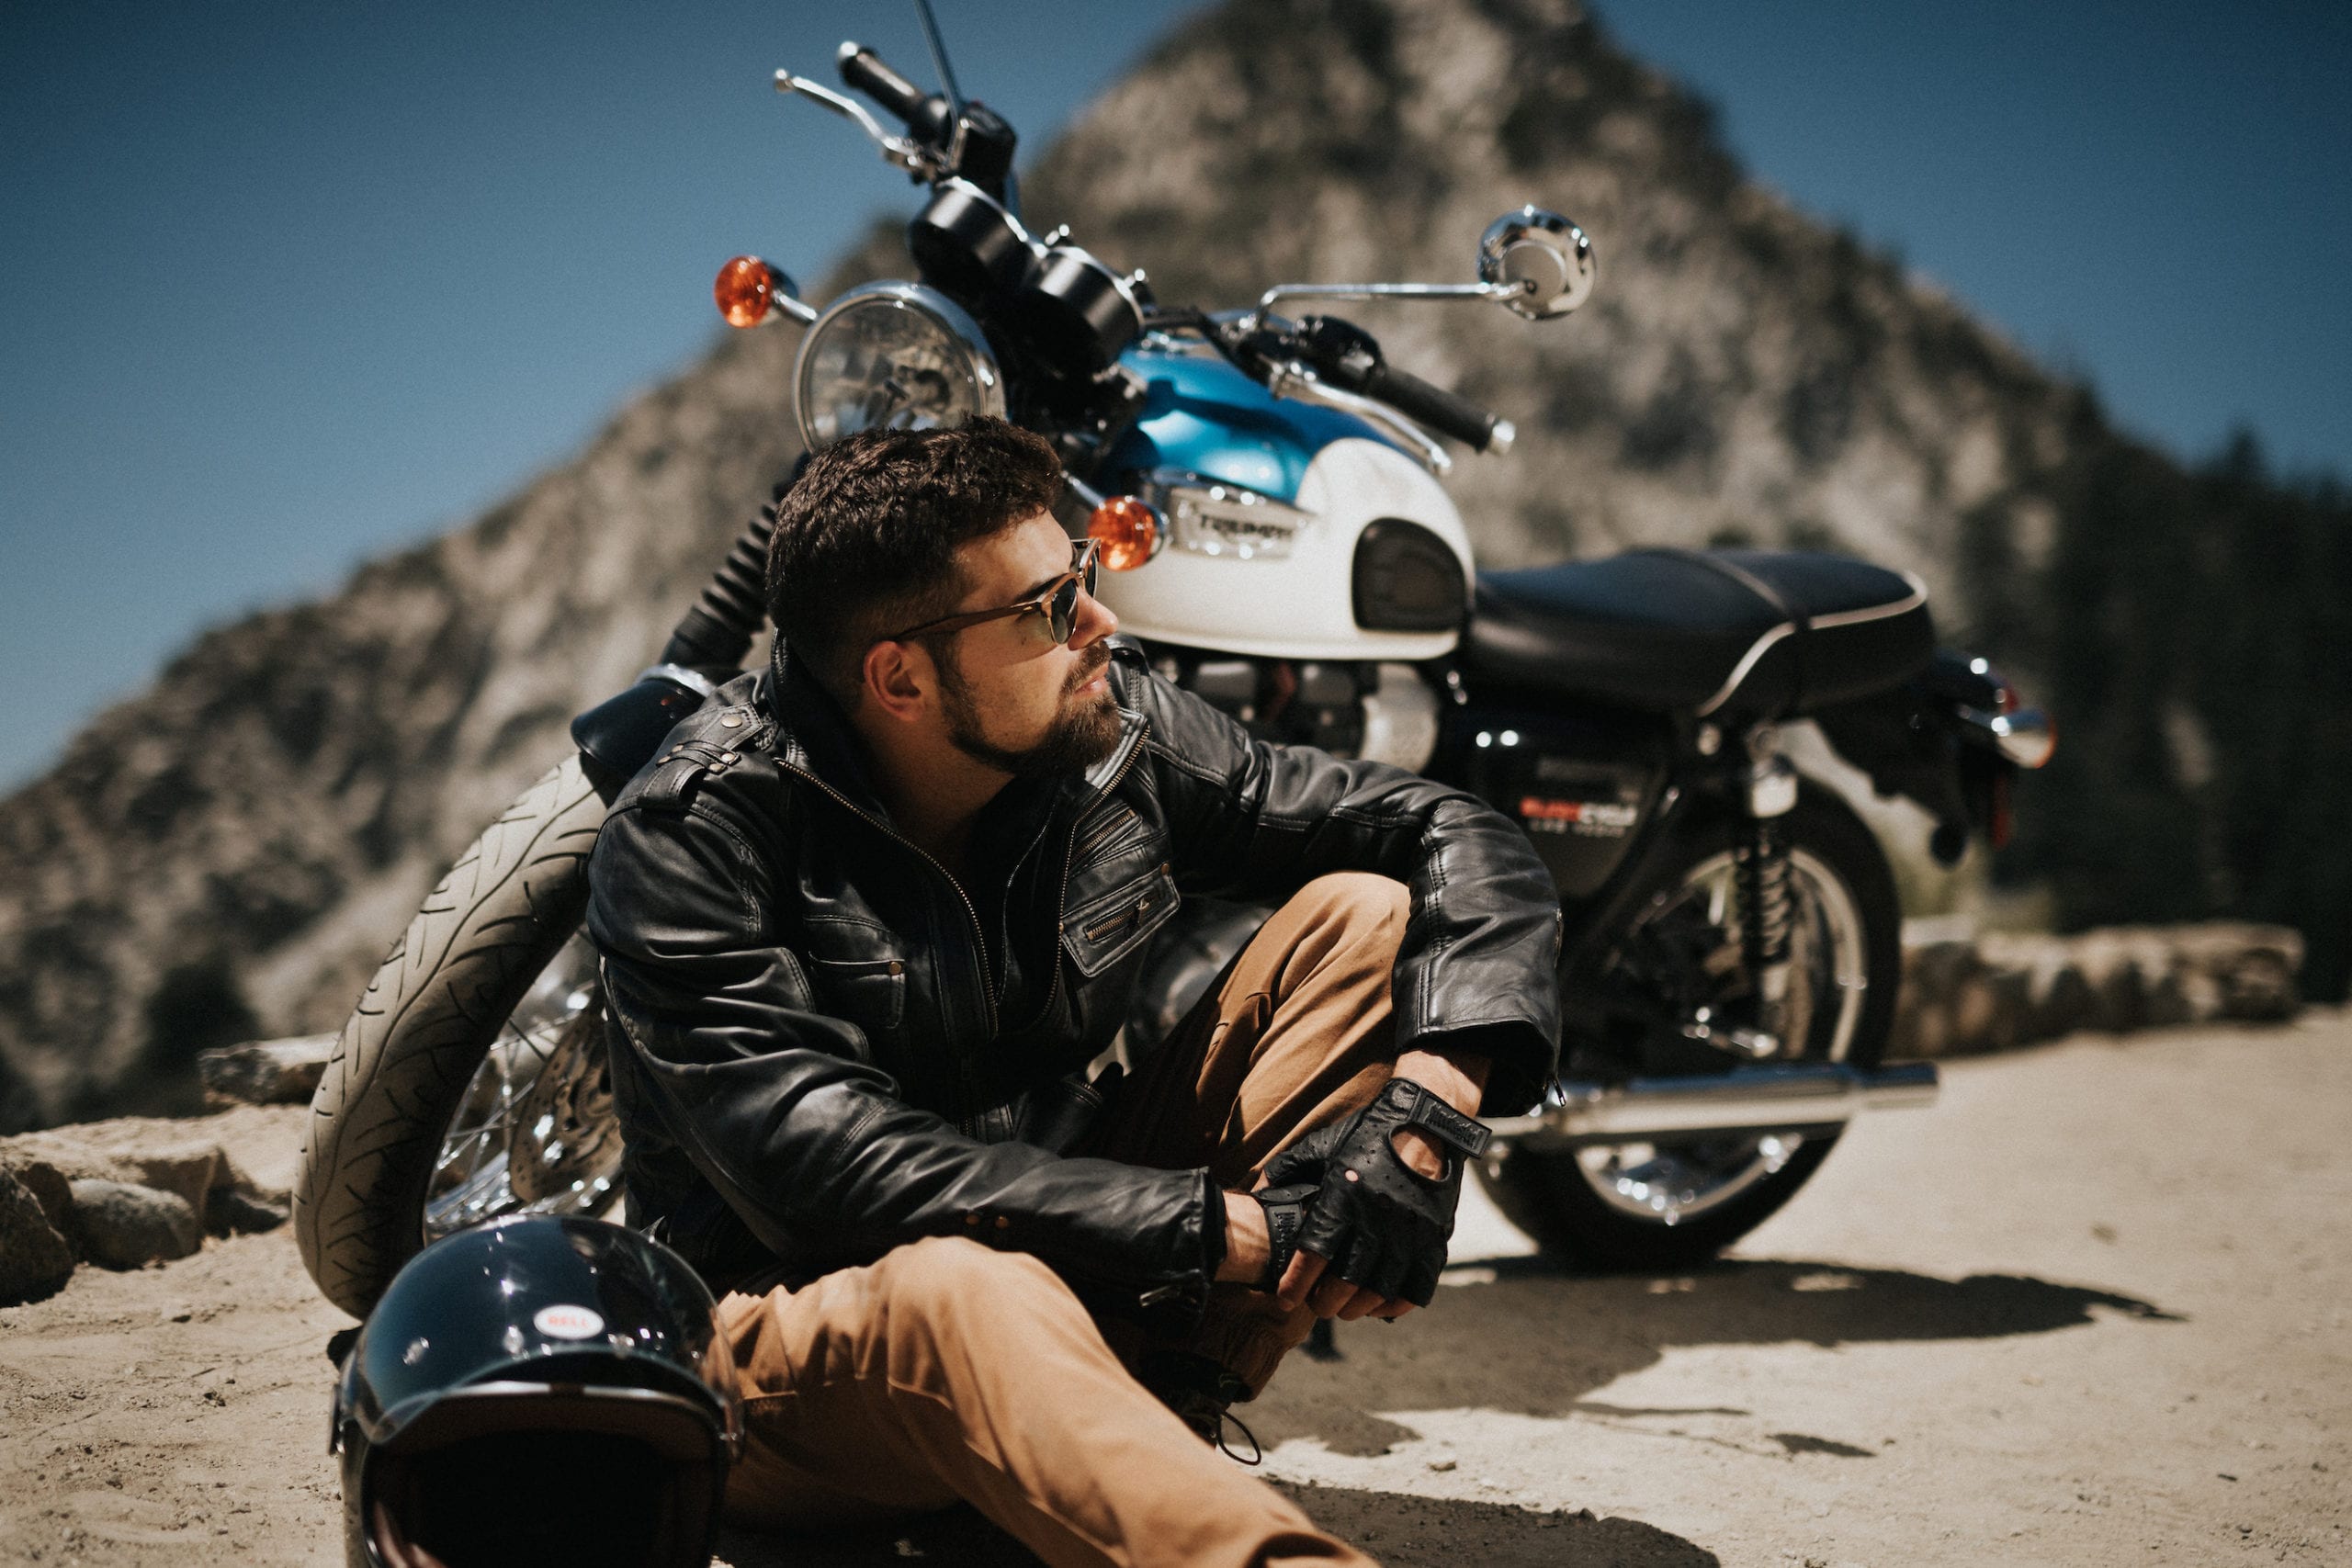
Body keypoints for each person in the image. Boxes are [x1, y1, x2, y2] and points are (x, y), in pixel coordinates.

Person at [584, 417, 1563, 1568]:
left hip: (1088, 1279)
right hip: (802, 1359)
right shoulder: (692, 833)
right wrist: (1224, 1231)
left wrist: (1424, 1121)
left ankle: (1151, 1420)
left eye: (1085, 577)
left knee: (1368, 918)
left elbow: (1443, 826)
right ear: (898, 675)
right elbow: (844, 1179)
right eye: (1048, 609)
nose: (1101, 626)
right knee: (958, 1294)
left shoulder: (1106, 734)